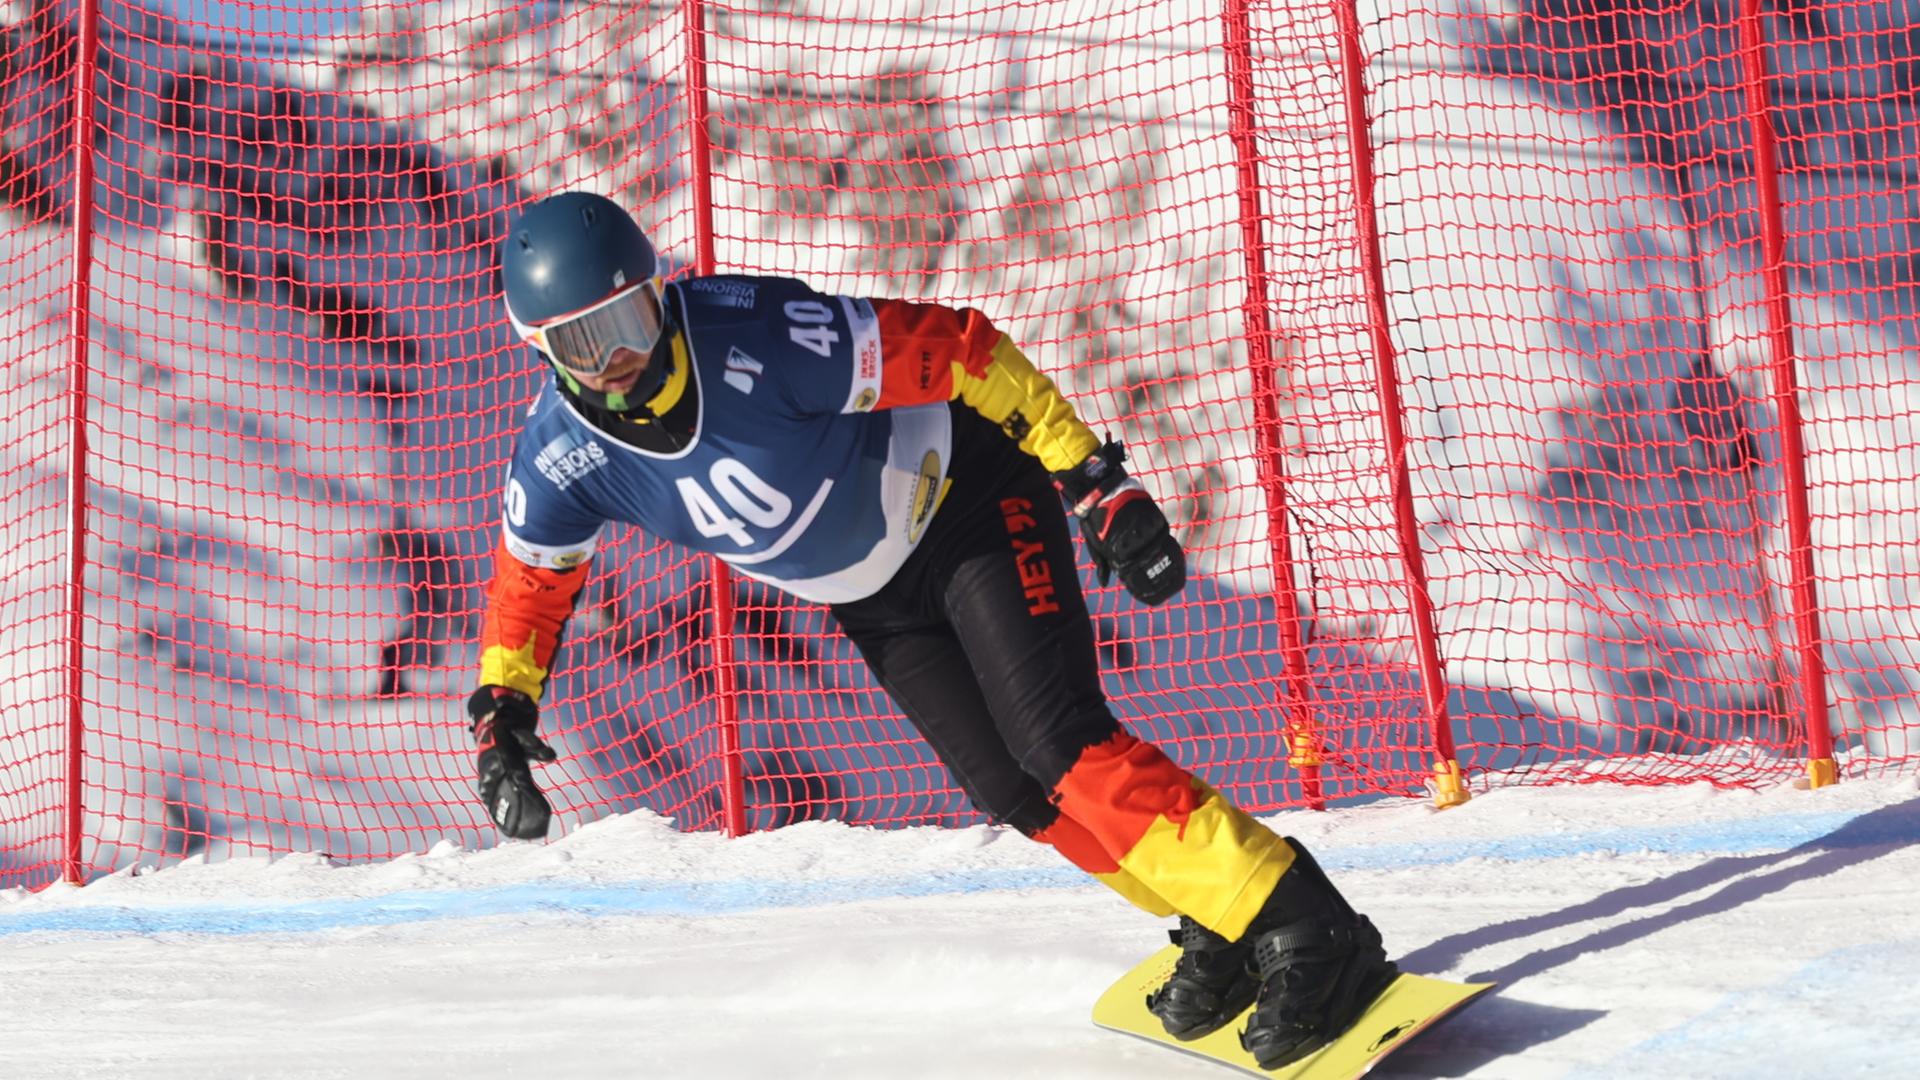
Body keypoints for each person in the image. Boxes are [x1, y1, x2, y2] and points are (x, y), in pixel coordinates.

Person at [466, 191, 1396, 1068]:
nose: (614, 359)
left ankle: (1300, 920)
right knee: (1014, 789)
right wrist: (503, 710)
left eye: (627, 322)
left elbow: (965, 350)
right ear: (540, 353)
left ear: (660, 297)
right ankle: (1217, 920)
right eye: (581, 343)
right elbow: (531, 585)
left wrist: (1090, 480)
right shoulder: (559, 459)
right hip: (871, 598)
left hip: (971, 504)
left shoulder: (762, 335)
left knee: (1062, 744)